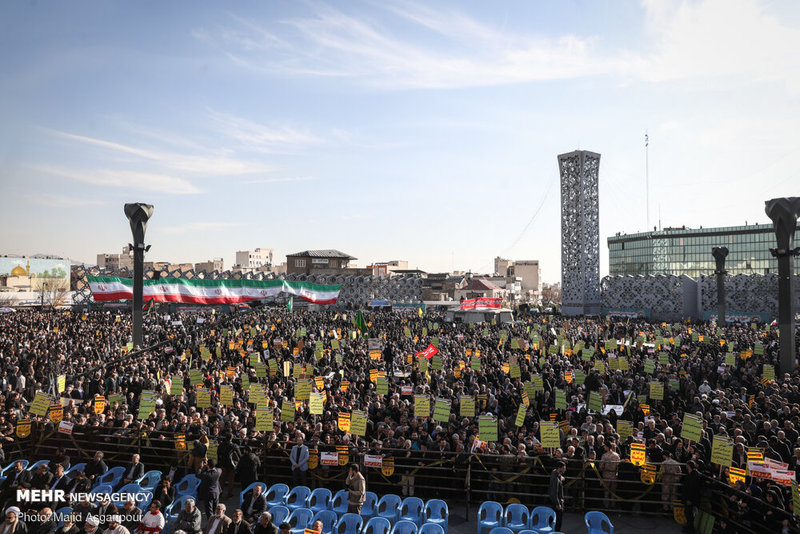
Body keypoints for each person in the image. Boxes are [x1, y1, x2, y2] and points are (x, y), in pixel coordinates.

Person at [682, 461, 701, 534]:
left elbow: (692, 488)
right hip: (688, 497)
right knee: (687, 513)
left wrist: (689, 499)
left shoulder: (694, 475)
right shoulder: (691, 474)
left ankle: (690, 529)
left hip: (691, 498)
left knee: (689, 513)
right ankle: (689, 526)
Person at [548, 461, 565, 532]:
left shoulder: (555, 473)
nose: (565, 470)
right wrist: (558, 503)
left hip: (555, 500)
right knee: (558, 518)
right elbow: (554, 491)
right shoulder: (555, 479)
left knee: (552, 516)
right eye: (563, 468)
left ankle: (545, 524)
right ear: (559, 468)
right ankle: (557, 531)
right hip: (557, 500)